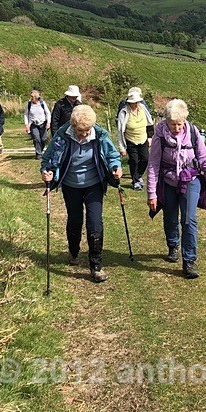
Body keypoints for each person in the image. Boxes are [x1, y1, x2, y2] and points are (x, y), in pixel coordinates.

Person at [41, 105, 122, 282]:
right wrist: (46, 172)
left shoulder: (100, 135)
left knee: (95, 223)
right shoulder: (62, 136)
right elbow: (48, 159)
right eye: (80, 130)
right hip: (71, 185)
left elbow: (112, 156)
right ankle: (74, 252)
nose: (84, 134)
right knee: (75, 220)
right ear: (73, 126)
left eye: (87, 130)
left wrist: (116, 168)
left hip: (94, 184)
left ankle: (96, 265)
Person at [146, 99, 206, 279]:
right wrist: (152, 193)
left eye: (179, 124)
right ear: (166, 122)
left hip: (190, 179)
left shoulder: (193, 133)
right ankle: (172, 245)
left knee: (188, 219)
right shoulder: (159, 136)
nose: (176, 128)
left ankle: (189, 260)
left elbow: (203, 158)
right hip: (168, 181)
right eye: (172, 124)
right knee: (170, 216)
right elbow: (153, 165)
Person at [116, 88, 154, 190]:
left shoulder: (143, 108)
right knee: (134, 160)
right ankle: (135, 181)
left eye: (137, 102)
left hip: (143, 138)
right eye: (133, 102)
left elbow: (150, 123)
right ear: (129, 103)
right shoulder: (124, 112)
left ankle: (139, 175)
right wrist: (122, 147)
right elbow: (120, 131)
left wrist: (150, 137)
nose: (136, 104)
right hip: (130, 140)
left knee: (145, 159)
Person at [24, 89, 51, 159]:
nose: (31, 98)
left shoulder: (42, 103)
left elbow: (48, 113)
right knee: (36, 139)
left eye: (32, 96)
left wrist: (48, 122)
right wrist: (26, 124)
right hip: (33, 124)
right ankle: (38, 154)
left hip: (43, 124)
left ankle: (40, 150)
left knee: (43, 139)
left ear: (36, 97)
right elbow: (26, 114)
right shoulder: (29, 104)